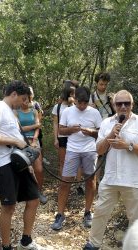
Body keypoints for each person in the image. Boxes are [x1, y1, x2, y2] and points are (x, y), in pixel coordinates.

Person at [83, 90, 138, 250]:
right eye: (119, 103)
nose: (123, 106)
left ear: (132, 104)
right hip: (110, 180)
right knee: (100, 213)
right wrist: (110, 134)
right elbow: (99, 151)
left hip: (133, 180)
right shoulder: (107, 123)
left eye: (127, 103)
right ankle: (93, 244)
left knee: (135, 220)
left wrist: (128, 145)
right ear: (114, 105)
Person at [0, 80, 44, 250]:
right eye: (23, 99)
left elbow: (14, 137)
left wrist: (28, 160)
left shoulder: (11, 112)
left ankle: (26, 241)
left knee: (33, 199)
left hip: (19, 163)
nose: (24, 103)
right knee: (8, 206)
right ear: (14, 94)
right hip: (4, 164)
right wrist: (15, 141)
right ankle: (6, 246)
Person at [51, 86, 102, 230]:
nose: (82, 106)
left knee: (90, 180)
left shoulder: (94, 112)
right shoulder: (67, 111)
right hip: (72, 150)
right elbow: (61, 130)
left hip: (90, 150)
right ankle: (60, 214)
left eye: (85, 103)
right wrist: (71, 130)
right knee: (65, 181)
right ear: (75, 100)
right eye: (80, 102)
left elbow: (100, 133)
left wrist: (91, 132)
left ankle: (87, 212)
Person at [15, 91, 47, 205]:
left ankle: (39, 191)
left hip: (34, 141)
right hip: (22, 142)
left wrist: (34, 140)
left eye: (27, 99)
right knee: (26, 169)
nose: (26, 102)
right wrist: (34, 126)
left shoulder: (34, 111)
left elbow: (38, 128)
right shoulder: (16, 113)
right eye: (23, 99)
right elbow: (19, 129)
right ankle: (27, 193)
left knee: (39, 169)